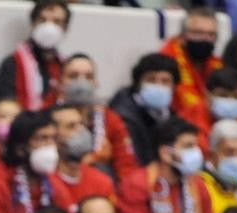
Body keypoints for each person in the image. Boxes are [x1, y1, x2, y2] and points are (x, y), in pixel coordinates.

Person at [59, 52, 138, 181]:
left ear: (96, 82)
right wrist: (91, 159)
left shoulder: (110, 119)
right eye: (73, 76)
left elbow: (126, 168)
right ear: (61, 81)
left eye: (88, 77)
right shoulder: (47, 117)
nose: (81, 83)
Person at [0, 0, 69, 110]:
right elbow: (7, 109)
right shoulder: (12, 64)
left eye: (56, 22)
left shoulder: (67, 67)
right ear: (33, 24)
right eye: (43, 20)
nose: (49, 27)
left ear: (66, 28)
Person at [107, 53, 179, 167]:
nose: (158, 86)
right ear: (138, 84)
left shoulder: (172, 116)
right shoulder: (123, 116)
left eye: (165, 81)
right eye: (151, 80)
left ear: (174, 87)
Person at [158, 7, 221, 135]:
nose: (205, 39)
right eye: (198, 33)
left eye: (211, 35)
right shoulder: (167, 60)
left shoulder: (214, 62)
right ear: (183, 35)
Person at [48, 103, 115, 204]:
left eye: (81, 124)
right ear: (53, 136)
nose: (81, 131)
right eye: (71, 126)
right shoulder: (45, 184)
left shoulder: (102, 182)